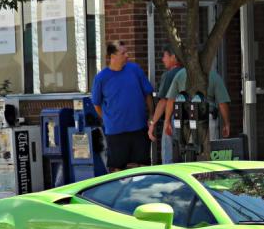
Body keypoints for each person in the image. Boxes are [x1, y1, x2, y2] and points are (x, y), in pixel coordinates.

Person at [92, 40, 155, 172]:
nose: (127, 55)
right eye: (123, 53)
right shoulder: (101, 78)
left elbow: (148, 94)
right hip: (115, 132)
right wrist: (108, 120)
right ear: (112, 56)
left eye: (127, 52)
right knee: (117, 170)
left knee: (142, 167)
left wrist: (151, 115)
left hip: (139, 128)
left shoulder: (134, 69)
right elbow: (96, 104)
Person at [163, 67, 231, 159]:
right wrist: (226, 123)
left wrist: (167, 121)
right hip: (207, 118)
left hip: (185, 119)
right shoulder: (213, 75)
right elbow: (222, 103)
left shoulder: (180, 74)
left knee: (188, 153)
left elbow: (171, 100)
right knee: (207, 154)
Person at [148, 46, 183, 164]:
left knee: (168, 155)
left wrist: (153, 123)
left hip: (172, 118)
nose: (162, 59)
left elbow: (163, 102)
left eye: (164, 56)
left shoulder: (170, 75)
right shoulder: (188, 72)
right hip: (191, 118)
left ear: (173, 57)